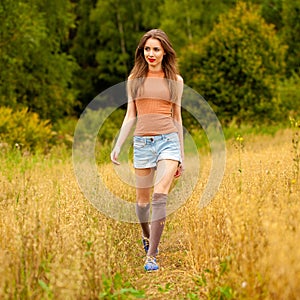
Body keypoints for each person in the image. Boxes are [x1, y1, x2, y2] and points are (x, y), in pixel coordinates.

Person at [110, 29, 184, 272]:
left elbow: (177, 118)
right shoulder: (134, 79)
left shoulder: (176, 81)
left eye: (156, 49)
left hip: (168, 142)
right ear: (142, 52)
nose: (151, 54)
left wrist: (180, 156)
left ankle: (151, 256)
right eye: (147, 49)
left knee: (159, 195)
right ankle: (146, 234)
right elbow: (130, 115)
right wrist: (118, 145)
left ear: (165, 52)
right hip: (142, 143)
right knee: (142, 204)